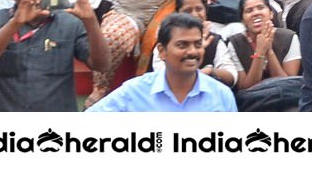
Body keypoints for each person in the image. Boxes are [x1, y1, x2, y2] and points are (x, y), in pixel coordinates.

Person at [85, 12, 237, 112]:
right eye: (182, 45)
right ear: (162, 51)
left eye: (197, 44)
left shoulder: (221, 95)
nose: (192, 52)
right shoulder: (135, 91)